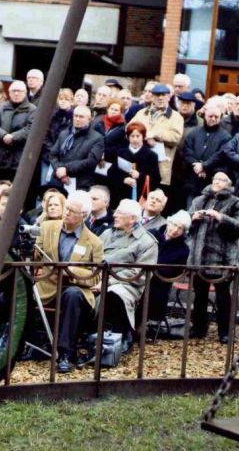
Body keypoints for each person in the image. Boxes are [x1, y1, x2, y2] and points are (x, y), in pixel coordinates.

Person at [34, 190, 104, 373]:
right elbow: (36, 257)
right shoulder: (48, 227)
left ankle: (65, 352)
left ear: (84, 216)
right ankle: (28, 345)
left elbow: (95, 276)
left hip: (76, 289)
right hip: (47, 285)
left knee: (72, 295)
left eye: (72, 211)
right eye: (67, 208)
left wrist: (72, 271)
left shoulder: (94, 242)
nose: (66, 212)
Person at [186, 173, 239, 343]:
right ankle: (198, 328)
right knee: (199, 295)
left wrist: (221, 217)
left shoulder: (236, 203)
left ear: (228, 184)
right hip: (199, 257)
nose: (216, 182)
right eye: (214, 180)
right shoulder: (199, 200)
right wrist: (193, 217)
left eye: (221, 180)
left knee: (222, 296)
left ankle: (225, 332)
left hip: (223, 258)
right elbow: (184, 223)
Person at [96, 199, 159, 353]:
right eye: (116, 212)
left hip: (128, 284)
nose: (115, 215)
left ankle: (123, 335)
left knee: (115, 294)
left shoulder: (147, 241)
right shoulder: (106, 234)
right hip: (96, 278)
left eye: (120, 213)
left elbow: (139, 272)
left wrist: (107, 282)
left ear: (132, 219)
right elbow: (93, 256)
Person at [129, 84, 184, 202]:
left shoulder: (176, 117)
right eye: (157, 95)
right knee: (136, 201)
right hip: (138, 166)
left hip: (160, 168)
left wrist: (154, 134)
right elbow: (129, 129)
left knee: (155, 202)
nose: (160, 98)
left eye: (163, 95)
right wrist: (144, 136)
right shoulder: (142, 113)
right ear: (152, 97)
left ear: (169, 97)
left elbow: (176, 137)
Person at [180, 97, 231, 206]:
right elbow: (187, 152)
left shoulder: (226, 137)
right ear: (205, 117)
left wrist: (204, 166)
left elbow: (221, 155)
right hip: (192, 180)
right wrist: (197, 167)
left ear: (221, 117)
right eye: (210, 116)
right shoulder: (194, 133)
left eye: (216, 117)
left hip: (211, 181)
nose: (213, 119)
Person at [148, 211, 192, 326]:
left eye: (180, 228)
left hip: (160, 282)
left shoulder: (183, 249)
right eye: (174, 224)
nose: (175, 230)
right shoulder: (151, 234)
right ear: (169, 222)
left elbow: (175, 271)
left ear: (183, 232)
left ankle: (149, 324)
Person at [48, 105, 104, 191]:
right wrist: (60, 170)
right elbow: (53, 155)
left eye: (81, 117)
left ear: (89, 119)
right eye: (75, 116)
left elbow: (91, 161)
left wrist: (66, 169)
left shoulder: (97, 138)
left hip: (80, 183)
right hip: (58, 179)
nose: (77, 119)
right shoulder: (64, 133)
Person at [0, 80, 36, 183]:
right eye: (14, 91)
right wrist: (4, 135)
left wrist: (13, 137)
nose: (16, 93)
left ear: (25, 93)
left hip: (18, 158)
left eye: (19, 91)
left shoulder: (32, 109)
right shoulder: (2, 107)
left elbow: (31, 129)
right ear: (9, 93)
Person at [108, 122, 160, 208]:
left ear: (143, 137)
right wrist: (123, 180)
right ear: (127, 137)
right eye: (132, 136)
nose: (135, 139)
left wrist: (140, 176)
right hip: (121, 195)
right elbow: (111, 173)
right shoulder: (121, 152)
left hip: (141, 196)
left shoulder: (151, 155)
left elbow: (156, 179)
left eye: (138, 136)